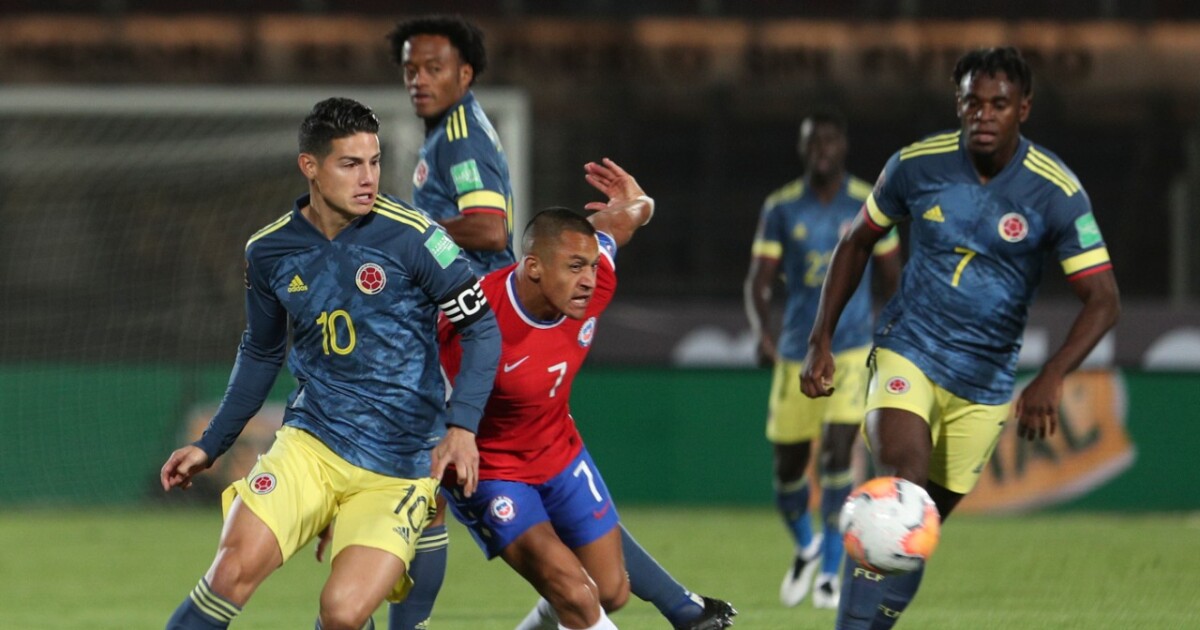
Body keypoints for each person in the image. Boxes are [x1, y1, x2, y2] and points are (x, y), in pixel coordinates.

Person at [386, 15, 735, 630]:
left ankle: (678, 606)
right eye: (410, 68)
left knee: (604, 589)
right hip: (480, 397)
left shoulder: (460, 138)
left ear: (465, 74)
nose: (419, 80)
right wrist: (640, 205)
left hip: (493, 358)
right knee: (422, 511)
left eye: (433, 67)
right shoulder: (452, 140)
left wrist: (402, 235)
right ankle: (681, 608)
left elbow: (492, 227)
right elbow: (621, 223)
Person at [800, 47, 1121, 629]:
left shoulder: (1055, 191)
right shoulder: (915, 166)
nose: (984, 114)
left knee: (917, 527)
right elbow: (856, 242)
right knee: (901, 488)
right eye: (973, 101)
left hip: (986, 382)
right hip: (910, 347)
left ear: (1023, 108)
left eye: (999, 103)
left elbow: (1103, 300)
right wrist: (820, 337)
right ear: (959, 103)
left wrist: (1051, 376)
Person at [160, 97, 501, 630]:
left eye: (374, 161)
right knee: (228, 573)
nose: (368, 178)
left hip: (399, 463)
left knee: (342, 614)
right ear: (310, 167)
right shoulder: (269, 251)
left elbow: (481, 329)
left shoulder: (414, 237)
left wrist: (463, 427)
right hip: (311, 444)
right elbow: (261, 351)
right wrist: (212, 443)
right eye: (350, 163)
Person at [439, 159, 735, 630]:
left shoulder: (591, 282)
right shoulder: (476, 319)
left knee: (609, 591)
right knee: (577, 595)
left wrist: (642, 200)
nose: (590, 280)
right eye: (576, 267)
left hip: (558, 452)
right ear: (532, 268)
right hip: (491, 470)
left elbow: (626, 216)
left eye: (593, 266)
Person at [744, 111, 900, 610]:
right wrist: (762, 334)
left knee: (838, 454)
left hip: (851, 349)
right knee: (788, 469)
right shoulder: (782, 207)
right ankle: (807, 546)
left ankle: (831, 570)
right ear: (803, 147)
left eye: (829, 141)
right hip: (795, 352)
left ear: (844, 146)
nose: (822, 151)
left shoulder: (867, 202)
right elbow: (759, 282)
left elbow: (892, 276)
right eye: (813, 142)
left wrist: (893, 335)